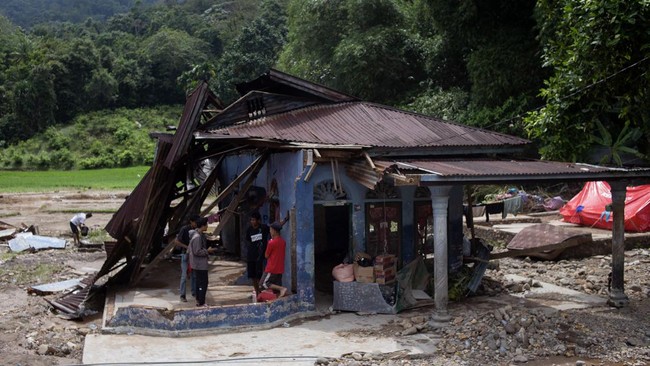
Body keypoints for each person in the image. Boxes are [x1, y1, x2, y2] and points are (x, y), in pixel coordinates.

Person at [188, 217, 215, 307]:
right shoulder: (197, 237)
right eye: (206, 225)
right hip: (199, 264)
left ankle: (199, 300)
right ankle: (201, 302)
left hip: (197, 264)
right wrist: (208, 251)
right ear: (203, 226)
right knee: (203, 283)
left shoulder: (196, 235)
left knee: (200, 283)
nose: (207, 226)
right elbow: (197, 251)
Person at [173, 214, 200, 302]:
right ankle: (182, 295)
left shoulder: (197, 230)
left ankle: (194, 292)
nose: (196, 224)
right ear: (191, 222)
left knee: (194, 275)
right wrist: (187, 247)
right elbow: (176, 241)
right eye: (195, 222)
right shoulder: (184, 229)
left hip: (194, 255)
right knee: (184, 276)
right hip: (185, 254)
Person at [260, 221, 288, 298]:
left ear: (274, 231)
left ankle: (282, 289)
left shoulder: (271, 242)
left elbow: (266, 255)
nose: (270, 231)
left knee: (263, 284)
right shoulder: (283, 242)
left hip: (271, 268)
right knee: (276, 290)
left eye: (270, 229)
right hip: (280, 268)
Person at [244, 212, 270, 296]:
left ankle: (260, 291)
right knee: (252, 275)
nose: (252, 222)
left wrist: (284, 220)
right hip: (251, 255)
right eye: (251, 220)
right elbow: (248, 241)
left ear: (258, 220)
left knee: (259, 275)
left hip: (260, 256)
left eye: (254, 220)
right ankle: (257, 291)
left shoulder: (263, 228)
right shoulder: (249, 229)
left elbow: (275, 227)